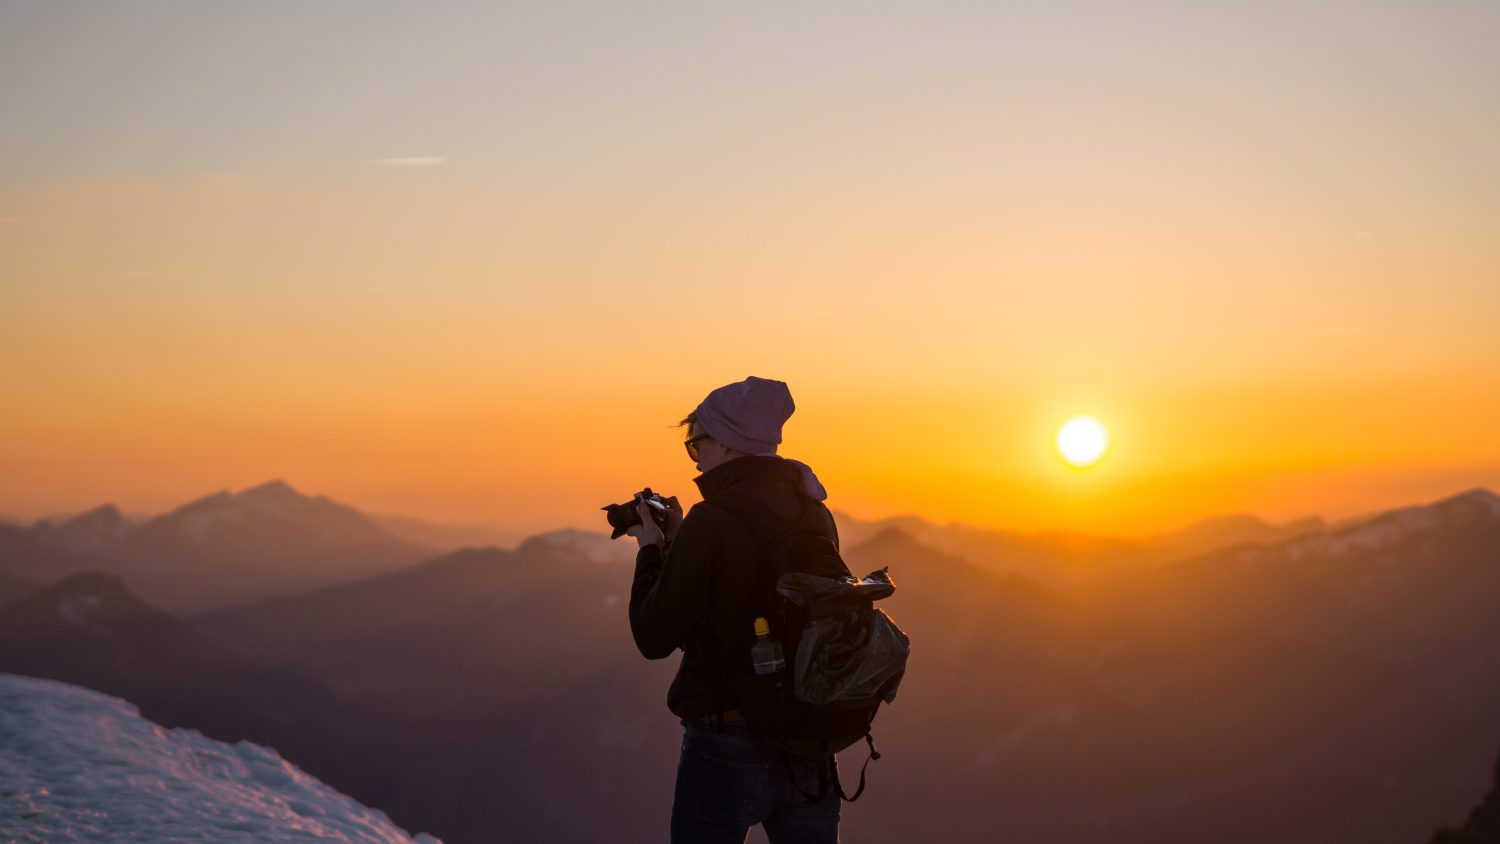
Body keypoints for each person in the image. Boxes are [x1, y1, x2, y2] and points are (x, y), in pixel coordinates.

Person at [626, 376, 843, 844]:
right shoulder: (814, 512)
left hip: (729, 740)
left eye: (695, 441)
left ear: (726, 441)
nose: (694, 454)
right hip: (809, 737)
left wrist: (651, 550)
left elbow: (653, 636)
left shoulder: (714, 519)